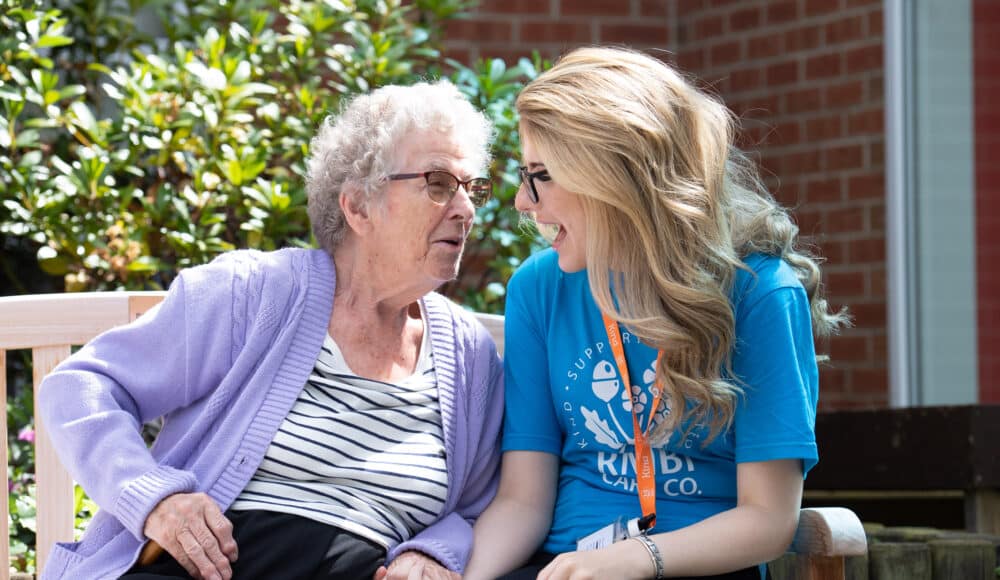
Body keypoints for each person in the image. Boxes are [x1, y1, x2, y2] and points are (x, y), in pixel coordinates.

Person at [38, 80, 503, 580]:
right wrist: (153, 499)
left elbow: (481, 505)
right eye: (438, 184)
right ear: (358, 207)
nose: (466, 209)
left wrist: (433, 551)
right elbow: (81, 387)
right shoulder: (254, 292)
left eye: (471, 188)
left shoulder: (468, 355)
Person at [463, 46, 849, 580]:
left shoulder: (761, 293)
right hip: (561, 569)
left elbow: (767, 518)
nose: (523, 203)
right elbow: (522, 503)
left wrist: (638, 560)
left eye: (540, 175)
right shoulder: (538, 288)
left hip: (695, 569)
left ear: (614, 176)